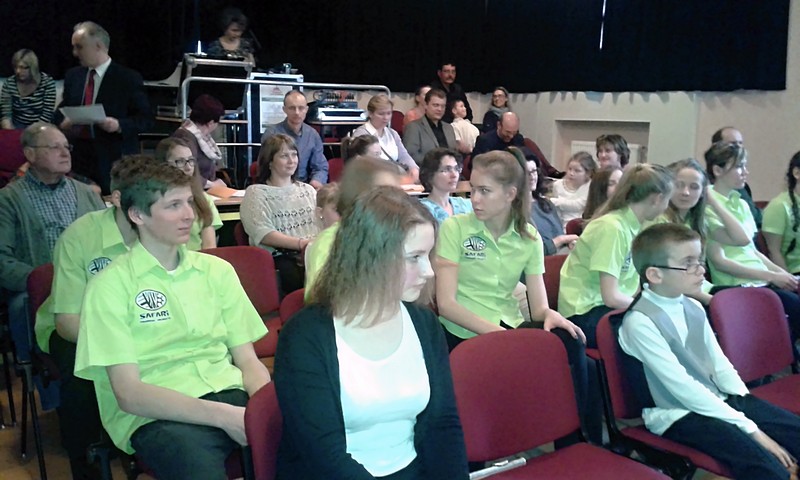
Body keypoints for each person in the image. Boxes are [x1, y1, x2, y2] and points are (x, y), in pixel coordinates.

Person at [73, 162, 271, 479]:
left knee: (307, 447)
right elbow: (129, 393)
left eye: (189, 202)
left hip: (229, 392)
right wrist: (223, 416)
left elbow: (248, 361)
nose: (189, 215)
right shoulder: (109, 286)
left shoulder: (217, 271)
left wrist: (263, 411)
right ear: (138, 215)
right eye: (173, 205)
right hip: (158, 413)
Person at [275, 186, 469, 479]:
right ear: (371, 258)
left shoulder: (424, 324)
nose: (429, 271)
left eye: (428, 255)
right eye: (414, 257)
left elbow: (444, 424)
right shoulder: (305, 337)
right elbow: (323, 454)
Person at [619, 223, 800, 480]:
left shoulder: (693, 307)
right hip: (676, 414)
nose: (701, 269)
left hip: (714, 400)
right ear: (655, 275)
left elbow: (720, 365)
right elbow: (682, 388)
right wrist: (752, 429)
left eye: (699, 260)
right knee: (766, 466)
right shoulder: (640, 322)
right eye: (688, 263)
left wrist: (747, 405)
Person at [434, 150, 591, 438]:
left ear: (510, 194)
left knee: (569, 340)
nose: (475, 199)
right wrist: (501, 337)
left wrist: (551, 315)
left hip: (508, 324)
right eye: (473, 190)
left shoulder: (529, 238)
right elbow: (446, 305)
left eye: (485, 191)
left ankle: (577, 439)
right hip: (460, 332)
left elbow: (538, 307)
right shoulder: (454, 228)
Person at [34, 155, 152, 479]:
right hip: (78, 327)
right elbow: (67, 322)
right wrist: (123, 344)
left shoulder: (160, 229)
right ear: (117, 199)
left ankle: (146, 446)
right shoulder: (80, 236)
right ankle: (86, 462)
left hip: (138, 324)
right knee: (83, 373)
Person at [0, 122, 104, 384]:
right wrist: (45, 280)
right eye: (54, 147)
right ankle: (45, 380)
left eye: (66, 146)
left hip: (91, 282)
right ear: (30, 154)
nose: (65, 152)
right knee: (23, 304)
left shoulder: (87, 194)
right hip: (40, 288)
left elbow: (109, 243)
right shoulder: (8, 200)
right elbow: (3, 261)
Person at [558, 163, 673, 347]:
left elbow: (631, 288)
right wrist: (652, 309)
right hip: (585, 313)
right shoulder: (612, 228)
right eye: (668, 200)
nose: (667, 207)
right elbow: (611, 297)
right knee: (655, 331)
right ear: (657, 199)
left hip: (609, 307)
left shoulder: (637, 225)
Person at [703, 143, 800, 354]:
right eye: (739, 166)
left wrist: (783, 275)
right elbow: (720, 261)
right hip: (739, 284)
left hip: (761, 280)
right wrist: (771, 276)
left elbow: (753, 251)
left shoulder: (741, 203)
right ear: (717, 170)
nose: (745, 172)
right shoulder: (707, 207)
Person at [54, 21, 153, 194]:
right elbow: (61, 111)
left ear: (98, 46)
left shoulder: (127, 78)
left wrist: (119, 125)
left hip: (112, 158)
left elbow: (146, 120)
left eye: (79, 47)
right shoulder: (73, 76)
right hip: (78, 156)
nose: (75, 53)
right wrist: (63, 123)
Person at [304, 155, 403, 299]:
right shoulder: (330, 242)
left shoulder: (394, 233)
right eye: (384, 192)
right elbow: (323, 299)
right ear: (358, 194)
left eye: (397, 192)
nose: (397, 200)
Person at [241, 134, 320, 294]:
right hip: (282, 257)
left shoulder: (308, 190)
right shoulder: (256, 193)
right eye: (284, 156)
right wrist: (302, 244)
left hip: (315, 251)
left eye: (294, 155)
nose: (292, 161)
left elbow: (322, 223)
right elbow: (263, 233)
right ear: (270, 162)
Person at [155, 137, 221, 250]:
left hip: (197, 259)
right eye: (180, 161)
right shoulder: (154, 199)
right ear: (163, 164)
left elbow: (210, 246)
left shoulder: (204, 199)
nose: (188, 167)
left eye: (191, 160)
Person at [261, 90, 328, 189]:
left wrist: (316, 182)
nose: (297, 112)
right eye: (292, 108)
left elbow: (320, 167)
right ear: (284, 109)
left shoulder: (313, 135)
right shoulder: (271, 134)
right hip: (277, 186)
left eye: (301, 108)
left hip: (304, 187)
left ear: (306, 109)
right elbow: (265, 167)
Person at [520, 149, 578, 255]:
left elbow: (560, 234)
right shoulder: (515, 210)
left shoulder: (546, 204)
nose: (532, 177)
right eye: (527, 173)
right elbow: (531, 251)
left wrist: (569, 242)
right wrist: (561, 240)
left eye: (534, 171)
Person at [352, 94, 419, 182]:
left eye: (389, 113)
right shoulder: (361, 134)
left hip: (395, 178)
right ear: (370, 114)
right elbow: (363, 164)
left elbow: (403, 155)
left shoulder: (393, 133)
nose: (386, 118)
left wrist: (413, 168)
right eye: (381, 114)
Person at [171, 94, 227, 189]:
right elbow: (183, 173)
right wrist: (212, 185)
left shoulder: (194, 135)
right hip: (193, 191)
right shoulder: (186, 138)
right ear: (211, 123)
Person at [711, 126, 762, 228]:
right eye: (733, 144)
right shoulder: (704, 186)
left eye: (740, 143)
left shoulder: (742, 187)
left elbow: (756, 218)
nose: (738, 148)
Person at [763, 151, 800, 274]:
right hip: (794, 274)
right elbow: (774, 252)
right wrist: (790, 280)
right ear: (796, 173)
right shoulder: (779, 206)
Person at [1, 49, 56, 129]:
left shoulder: (47, 83)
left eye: (23, 68)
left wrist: (31, 132)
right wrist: (11, 132)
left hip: (41, 126)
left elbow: (46, 115)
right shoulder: (10, 83)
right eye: (16, 67)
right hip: (16, 125)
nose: (18, 71)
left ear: (33, 67)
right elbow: (6, 115)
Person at [402, 89, 457, 164]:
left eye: (443, 106)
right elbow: (411, 155)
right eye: (436, 105)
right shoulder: (414, 127)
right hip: (426, 169)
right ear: (426, 105)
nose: (440, 109)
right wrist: (438, 163)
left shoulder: (449, 128)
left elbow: (454, 153)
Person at [418, 148, 471, 224]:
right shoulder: (421, 210)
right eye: (447, 169)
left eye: (456, 169)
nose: (454, 175)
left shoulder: (465, 204)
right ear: (430, 174)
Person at [551, 151, 596, 229]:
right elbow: (556, 211)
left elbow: (579, 205)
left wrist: (555, 201)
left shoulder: (590, 186)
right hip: (560, 225)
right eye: (569, 169)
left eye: (577, 171)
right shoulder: (557, 185)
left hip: (580, 225)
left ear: (588, 173)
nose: (571, 173)